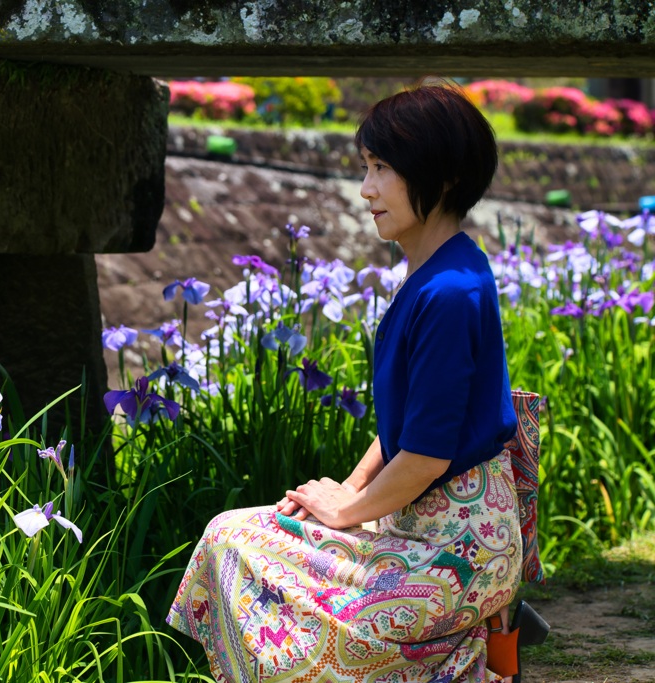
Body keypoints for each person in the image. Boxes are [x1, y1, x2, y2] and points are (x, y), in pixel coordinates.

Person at [167, 83, 532, 682]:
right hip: (428, 523)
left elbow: (424, 456)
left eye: (383, 168)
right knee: (237, 536)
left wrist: (350, 512)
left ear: (439, 178)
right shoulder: (438, 271)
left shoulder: (448, 292)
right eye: (367, 167)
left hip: (454, 549)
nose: (366, 190)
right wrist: (349, 493)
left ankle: (453, 658)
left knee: (234, 541)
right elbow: (407, 430)